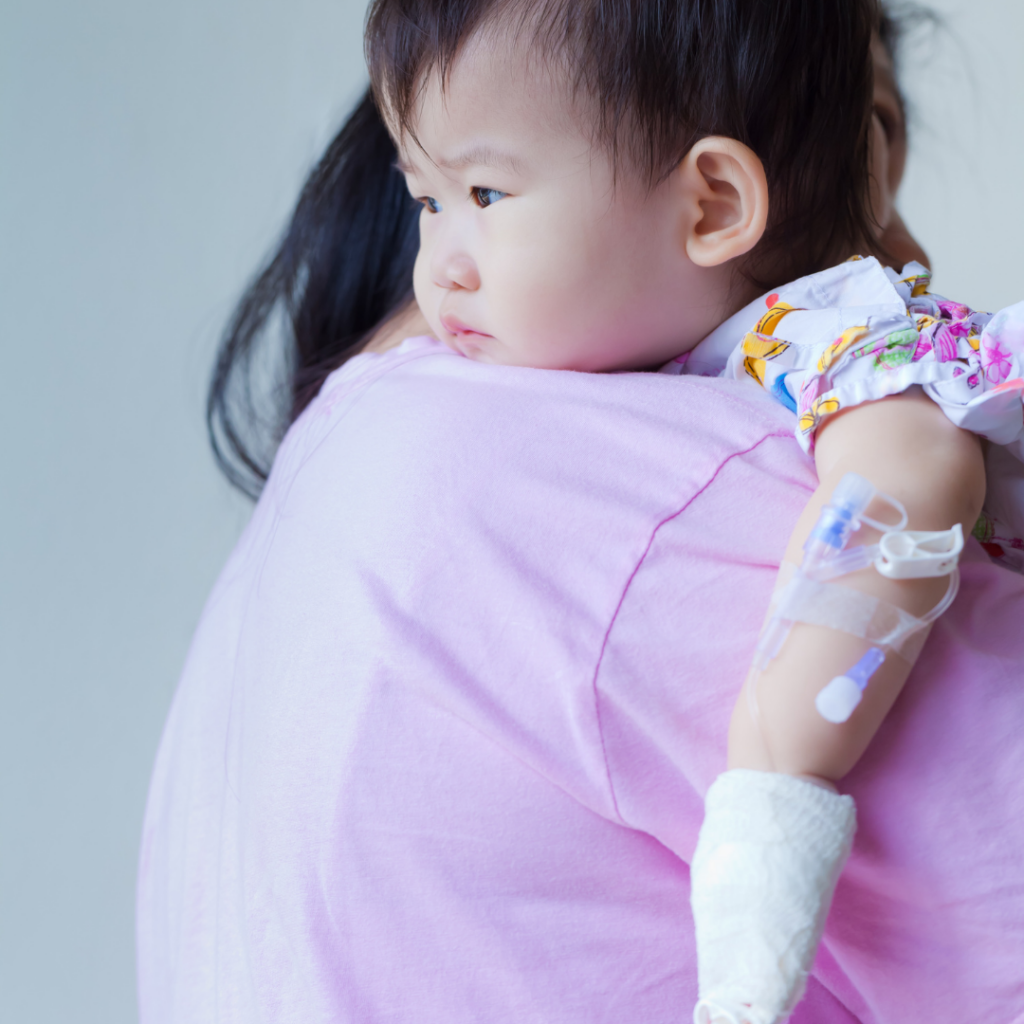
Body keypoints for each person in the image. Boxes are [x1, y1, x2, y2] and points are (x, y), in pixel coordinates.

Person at [139, 3, 1024, 1022]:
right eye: (438, 199)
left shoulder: (322, 487)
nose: (446, 262)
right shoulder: (662, 492)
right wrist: (774, 794)